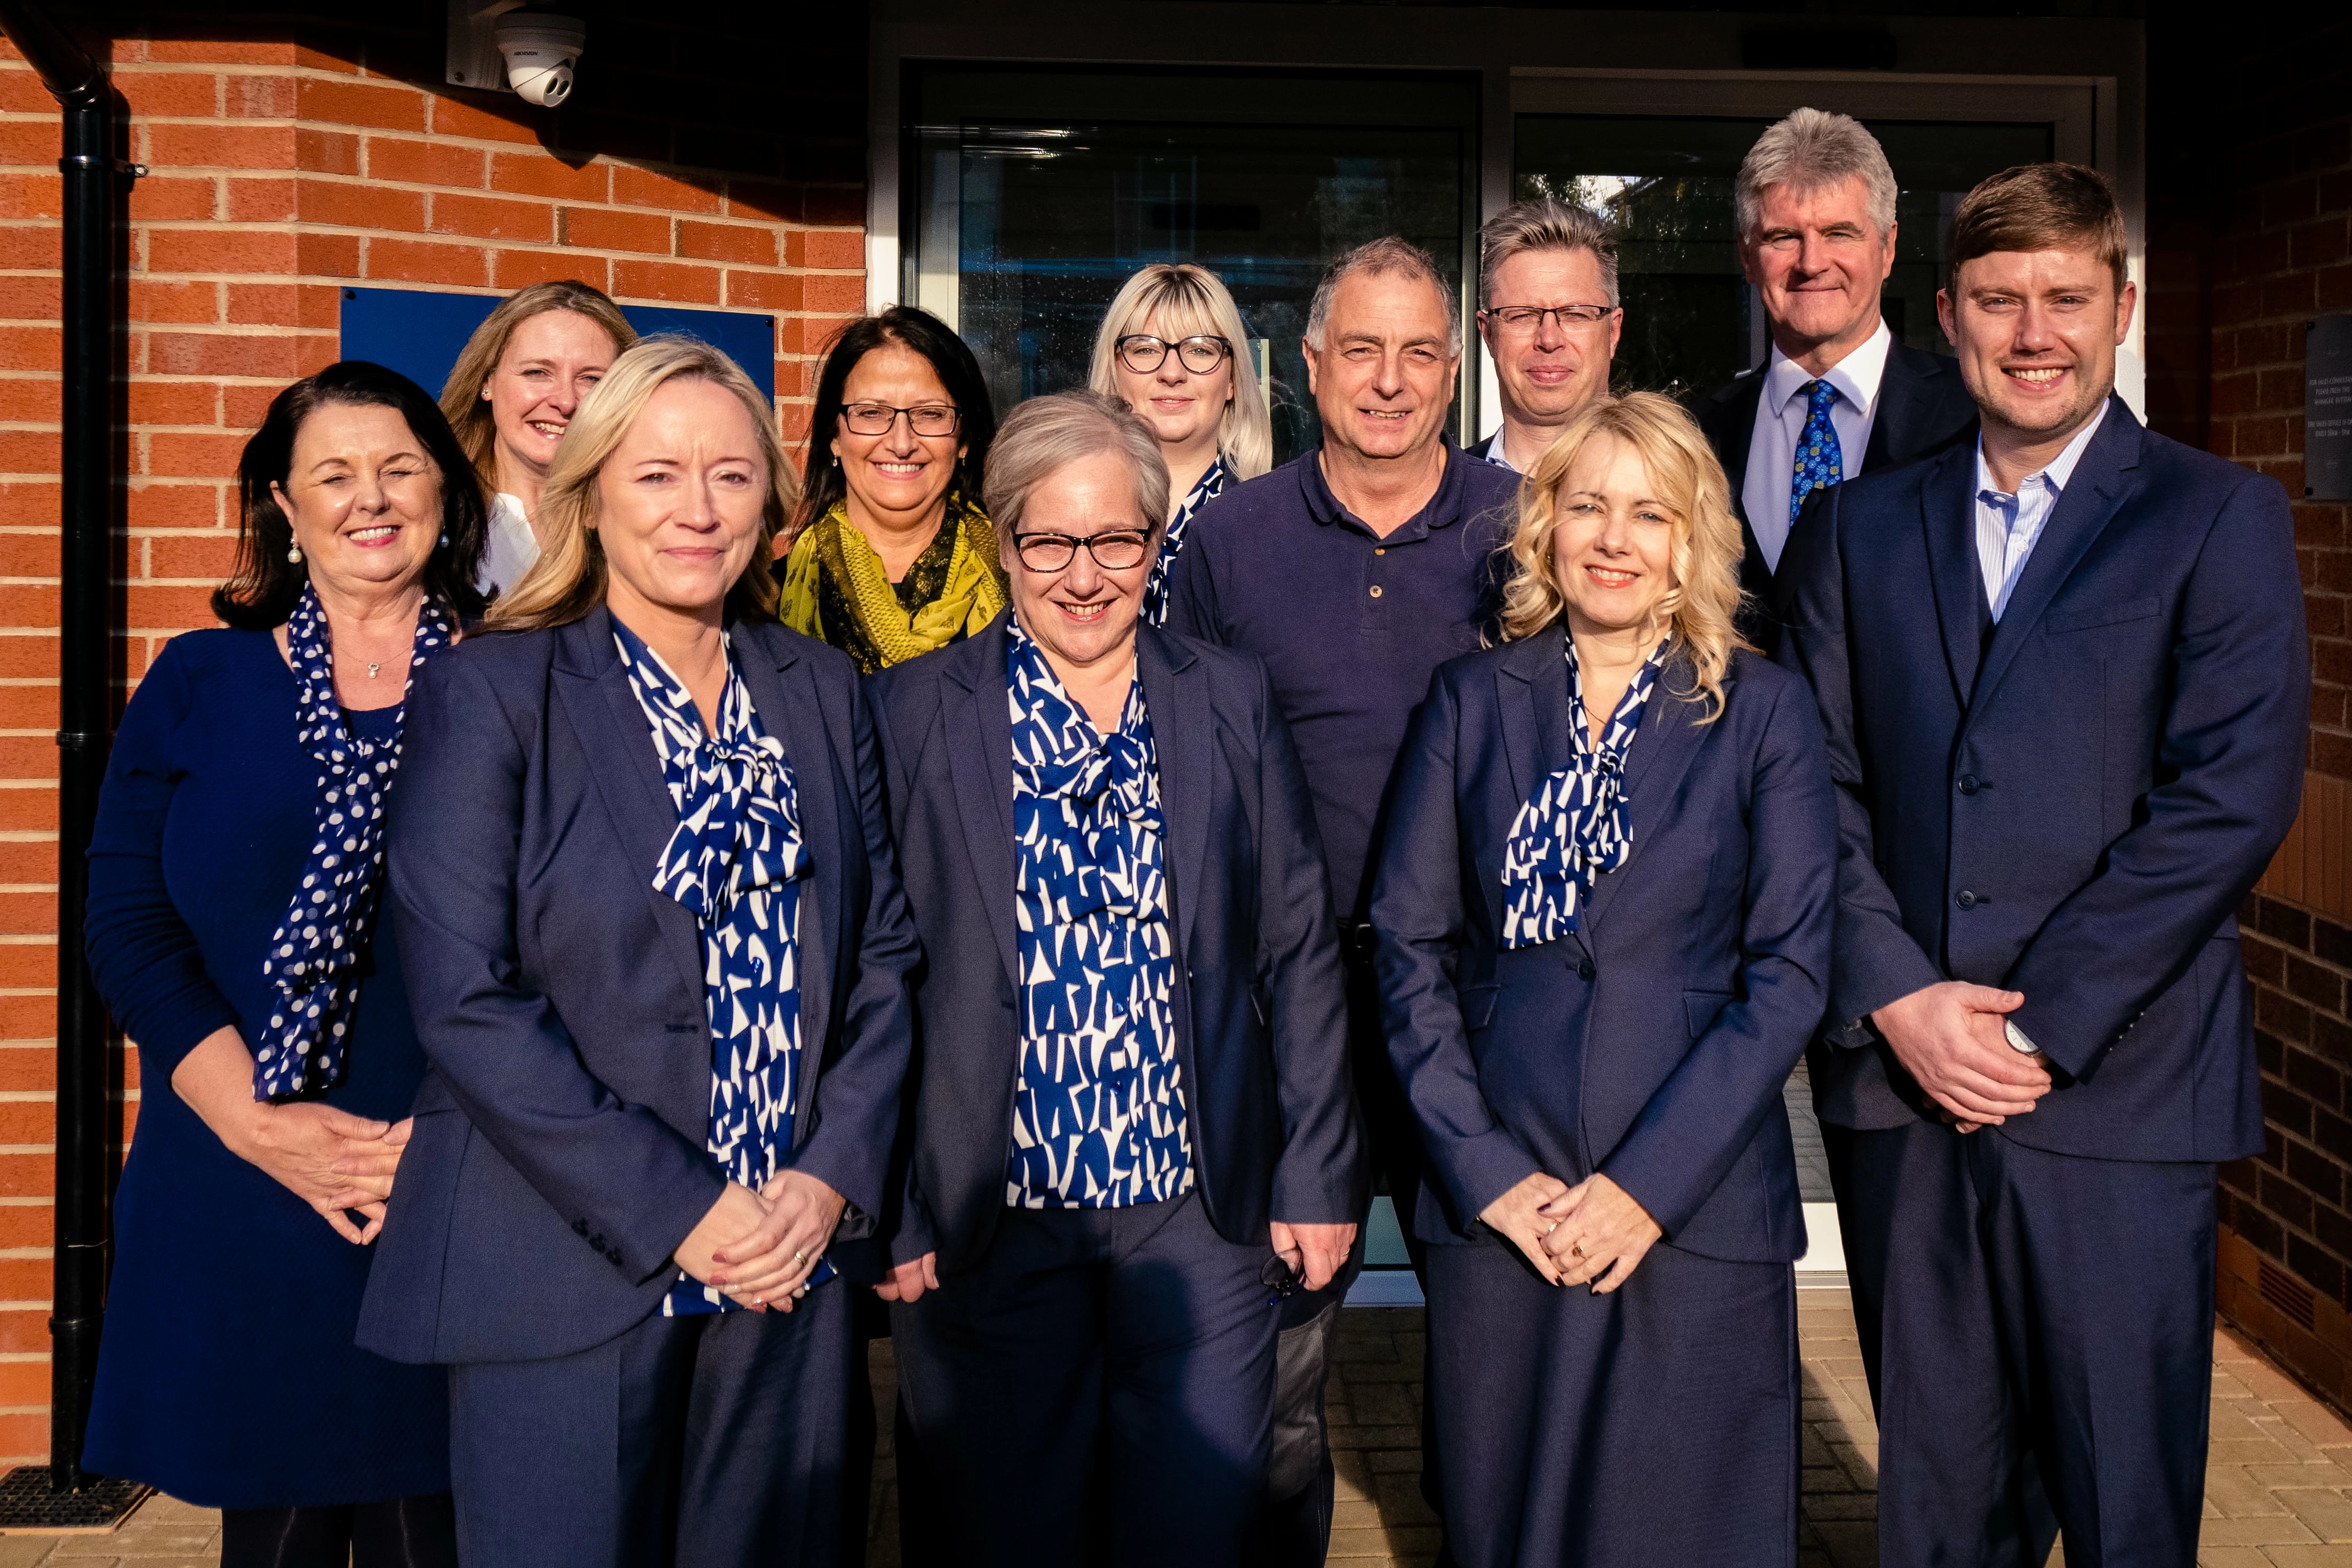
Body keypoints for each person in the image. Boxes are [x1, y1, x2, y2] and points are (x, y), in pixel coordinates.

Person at [1776, 163, 2307, 1566]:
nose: (2030, 331)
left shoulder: (2213, 516)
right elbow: (1805, 786)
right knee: (1939, 1510)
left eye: (2064, 298)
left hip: (2114, 1090)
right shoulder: (1852, 528)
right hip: (1905, 1089)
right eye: (1997, 299)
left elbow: (2224, 802)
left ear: (2116, 308)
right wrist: (1898, 997)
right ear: (1943, 314)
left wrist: (2032, 1023)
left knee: (2123, 1505)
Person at [357, 335, 921, 1568]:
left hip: (789, 1264)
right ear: (593, 491)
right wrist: (685, 1208)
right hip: (560, 1265)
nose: (698, 509)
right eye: (659, 475)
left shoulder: (819, 690)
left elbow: (883, 957)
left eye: (729, 476)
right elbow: (465, 999)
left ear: (770, 501)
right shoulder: (500, 690)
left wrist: (827, 1177)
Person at [869, 389, 1361, 1568]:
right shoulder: (911, 712)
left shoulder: (1226, 695)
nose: (1083, 575)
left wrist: (1320, 1172)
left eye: (1116, 539)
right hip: (990, 1218)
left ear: (1155, 540)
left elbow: (1296, 942)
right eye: (1049, 540)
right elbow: (874, 975)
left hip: (1196, 1215)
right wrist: (890, 1201)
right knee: (1010, 1534)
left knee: (1194, 1529)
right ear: (1004, 543)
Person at [1372, 391, 1833, 1564]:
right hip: (1506, 1204)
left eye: (1649, 513)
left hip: (1694, 1200)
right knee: (1510, 1522)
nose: (1615, 538)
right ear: (1545, 527)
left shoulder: (1764, 712)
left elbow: (1787, 972)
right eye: (1587, 505)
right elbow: (1408, 948)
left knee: (1684, 1525)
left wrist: (1644, 1184)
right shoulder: (1471, 701)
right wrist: (1487, 1173)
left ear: (1692, 541)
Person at [82, 361, 487, 1566]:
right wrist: (258, 1121)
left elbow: (570, 938)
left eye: (401, 467)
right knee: (278, 1533)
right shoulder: (201, 681)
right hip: (239, 1175)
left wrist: (448, 1136)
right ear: (283, 504)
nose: (373, 497)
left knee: (442, 1524)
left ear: (447, 494)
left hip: (455, 1175)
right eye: (336, 474)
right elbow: (127, 917)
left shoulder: (517, 676)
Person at [1169, 236, 1516, 1556]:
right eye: (1358, 350)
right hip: (1285, 1011)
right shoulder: (1233, 541)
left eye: (1419, 351)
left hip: (1466, 1008)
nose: (1388, 379)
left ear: (1453, 369)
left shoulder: (1514, 528)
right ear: (1308, 367)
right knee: (1278, 1360)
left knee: (1490, 1346)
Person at [1690, 107, 1975, 645]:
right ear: (1747, 257)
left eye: (1839, 232)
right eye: (1782, 237)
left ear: (1887, 247)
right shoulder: (1695, 434)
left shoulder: (1971, 417)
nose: (1811, 262)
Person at [780, 305, 1007, 675]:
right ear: (834, 437)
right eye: (871, 413)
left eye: (930, 414)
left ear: (963, 439)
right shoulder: (766, 601)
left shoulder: (1023, 587)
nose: (901, 442)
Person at [1088, 262, 1274, 623]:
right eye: (1144, 349)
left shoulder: (1277, 526)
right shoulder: (1061, 508)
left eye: (1200, 350)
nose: (1171, 373)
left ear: (1233, 379)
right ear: (1114, 371)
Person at [437, 278, 636, 598]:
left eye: (592, 379)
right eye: (537, 373)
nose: (566, 401)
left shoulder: (638, 521)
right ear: (487, 381)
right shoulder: (433, 514)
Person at [1466, 198, 1622, 473]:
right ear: (1488, 333)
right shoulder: (1435, 496)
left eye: (1576, 314)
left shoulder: (1689, 494)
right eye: (1522, 315)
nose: (1549, 340)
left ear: (1613, 331)